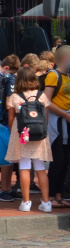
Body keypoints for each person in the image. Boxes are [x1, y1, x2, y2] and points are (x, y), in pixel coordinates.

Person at [6, 67, 53, 212]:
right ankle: (46, 203)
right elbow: (46, 117)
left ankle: (26, 203)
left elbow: (11, 119)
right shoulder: (42, 96)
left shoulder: (15, 97)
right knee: (40, 168)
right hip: (39, 135)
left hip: (22, 134)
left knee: (24, 167)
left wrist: (15, 131)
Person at [44, 45, 70, 207]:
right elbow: (46, 101)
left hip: (66, 122)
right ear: (65, 58)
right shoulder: (53, 76)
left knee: (65, 161)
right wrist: (66, 115)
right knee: (57, 161)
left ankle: (58, 195)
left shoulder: (68, 76)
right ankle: (52, 196)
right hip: (56, 125)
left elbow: (67, 100)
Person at [0, 54, 18, 202]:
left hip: (4, 121)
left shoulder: (5, 78)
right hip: (4, 122)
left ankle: (7, 188)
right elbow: (9, 103)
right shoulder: (8, 79)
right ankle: (5, 189)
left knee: (7, 156)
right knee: (7, 157)